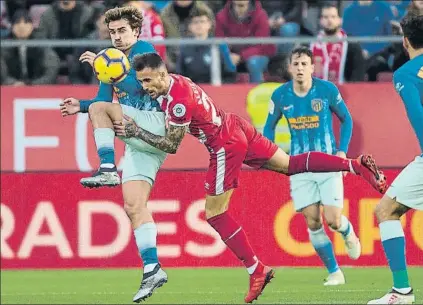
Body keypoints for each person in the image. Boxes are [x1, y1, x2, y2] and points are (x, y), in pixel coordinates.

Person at [114, 52, 388, 304]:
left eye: (148, 80)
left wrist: (135, 130)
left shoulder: (178, 102)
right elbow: (151, 97)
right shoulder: (177, 81)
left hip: (224, 144)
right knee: (291, 164)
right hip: (237, 127)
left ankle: (256, 269)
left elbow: (170, 145)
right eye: (142, 81)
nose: (145, 86)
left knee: (214, 214)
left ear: (162, 74)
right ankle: (352, 165)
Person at [59, 6, 168, 303]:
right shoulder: (110, 63)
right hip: (138, 141)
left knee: (99, 111)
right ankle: (152, 268)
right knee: (134, 205)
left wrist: (108, 68)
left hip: (157, 125)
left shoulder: (147, 51)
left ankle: (107, 167)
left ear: (136, 31)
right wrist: (79, 106)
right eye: (112, 32)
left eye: (122, 31)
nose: (117, 37)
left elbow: (148, 87)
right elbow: (102, 102)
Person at [263, 46, 359, 286]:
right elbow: (268, 128)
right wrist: (272, 153)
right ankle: (335, 272)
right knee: (313, 222)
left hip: (328, 164)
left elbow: (346, 119)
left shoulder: (326, 90)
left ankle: (347, 232)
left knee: (333, 220)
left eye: (304, 64)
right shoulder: (280, 95)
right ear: (289, 68)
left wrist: (342, 151)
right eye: (296, 64)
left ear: (312, 68)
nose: (300, 68)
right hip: (299, 167)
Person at [367, 14, 423, 305]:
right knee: (386, 209)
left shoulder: (406, 74)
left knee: (386, 211)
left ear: (405, 41)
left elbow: (419, 117)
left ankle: (402, 291)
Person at [310, 4, 365, 83]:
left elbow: (358, 76)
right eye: (325, 17)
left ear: (340, 20)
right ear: (320, 21)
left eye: (333, 17)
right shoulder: (311, 45)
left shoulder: (352, 46)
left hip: (345, 92)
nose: (329, 20)